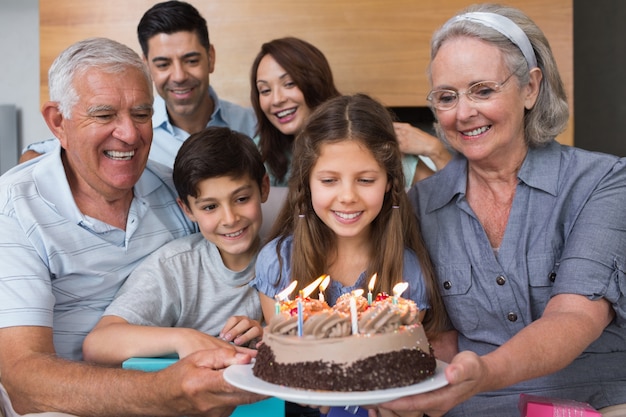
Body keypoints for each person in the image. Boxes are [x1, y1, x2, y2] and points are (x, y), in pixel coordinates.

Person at [373, 4, 626, 417]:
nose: (463, 113)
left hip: (597, 401)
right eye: (447, 97)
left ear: (530, 88)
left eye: (483, 90)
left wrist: (483, 372)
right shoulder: (420, 205)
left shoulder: (603, 181)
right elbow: (433, 332)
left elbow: (575, 317)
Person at [0, 38, 263, 417]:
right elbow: (25, 383)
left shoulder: (174, 190)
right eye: (105, 115)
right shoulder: (14, 209)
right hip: (61, 408)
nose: (129, 134)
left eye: (141, 114)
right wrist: (163, 390)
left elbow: (215, 275)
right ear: (59, 122)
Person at [83, 126, 269, 365]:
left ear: (263, 188)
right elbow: (98, 344)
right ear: (187, 209)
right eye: (210, 207)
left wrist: (270, 339)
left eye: (241, 199)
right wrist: (184, 339)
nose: (230, 218)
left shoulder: (286, 260)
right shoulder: (176, 266)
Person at [20, 1, 257, 167]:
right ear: (146, 68)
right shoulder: (132, 131)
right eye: (163, 64)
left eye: (191, 60)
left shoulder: (254, 125)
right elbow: (40, 152)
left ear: (211, 57)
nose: (179, 75)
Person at [250, 37, 450, 187]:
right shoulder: (264, 150)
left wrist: (435, 149)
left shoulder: (366, 132)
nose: (276, 99)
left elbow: (444, 201)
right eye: (265, 90)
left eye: (289, 84)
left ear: (314, 81)